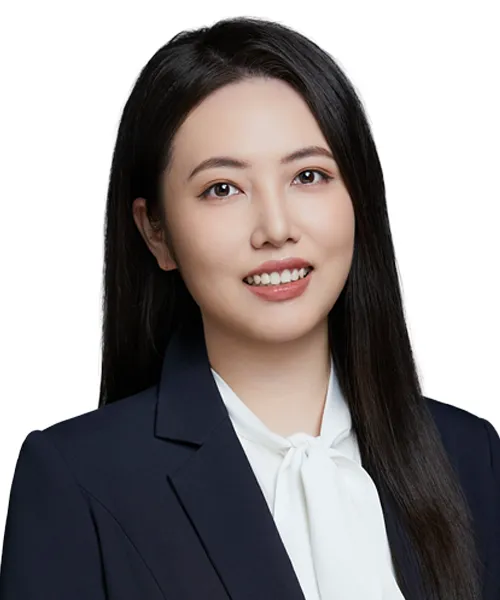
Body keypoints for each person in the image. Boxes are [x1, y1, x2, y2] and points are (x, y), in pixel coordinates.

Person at [0, 15, 498, 600]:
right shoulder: (79, 481)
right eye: (222, 188)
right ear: (156, 231)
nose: (276, 228)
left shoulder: (470, 455)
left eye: (308, 175)